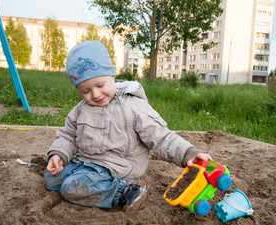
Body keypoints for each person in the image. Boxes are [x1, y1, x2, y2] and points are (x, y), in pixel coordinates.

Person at [44, 40, 213, 211]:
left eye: (100, 85)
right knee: (52, 179)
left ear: (112, 75)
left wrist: (187, 153)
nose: (95, 94)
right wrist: (58, 155)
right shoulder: (81, 109)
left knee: (70, 188)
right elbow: (68, 135)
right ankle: (89, 182)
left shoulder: (132, 105)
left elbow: (161, 137)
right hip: (85, 162)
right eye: (85, 91)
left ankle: (126, 192)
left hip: (115, 168)